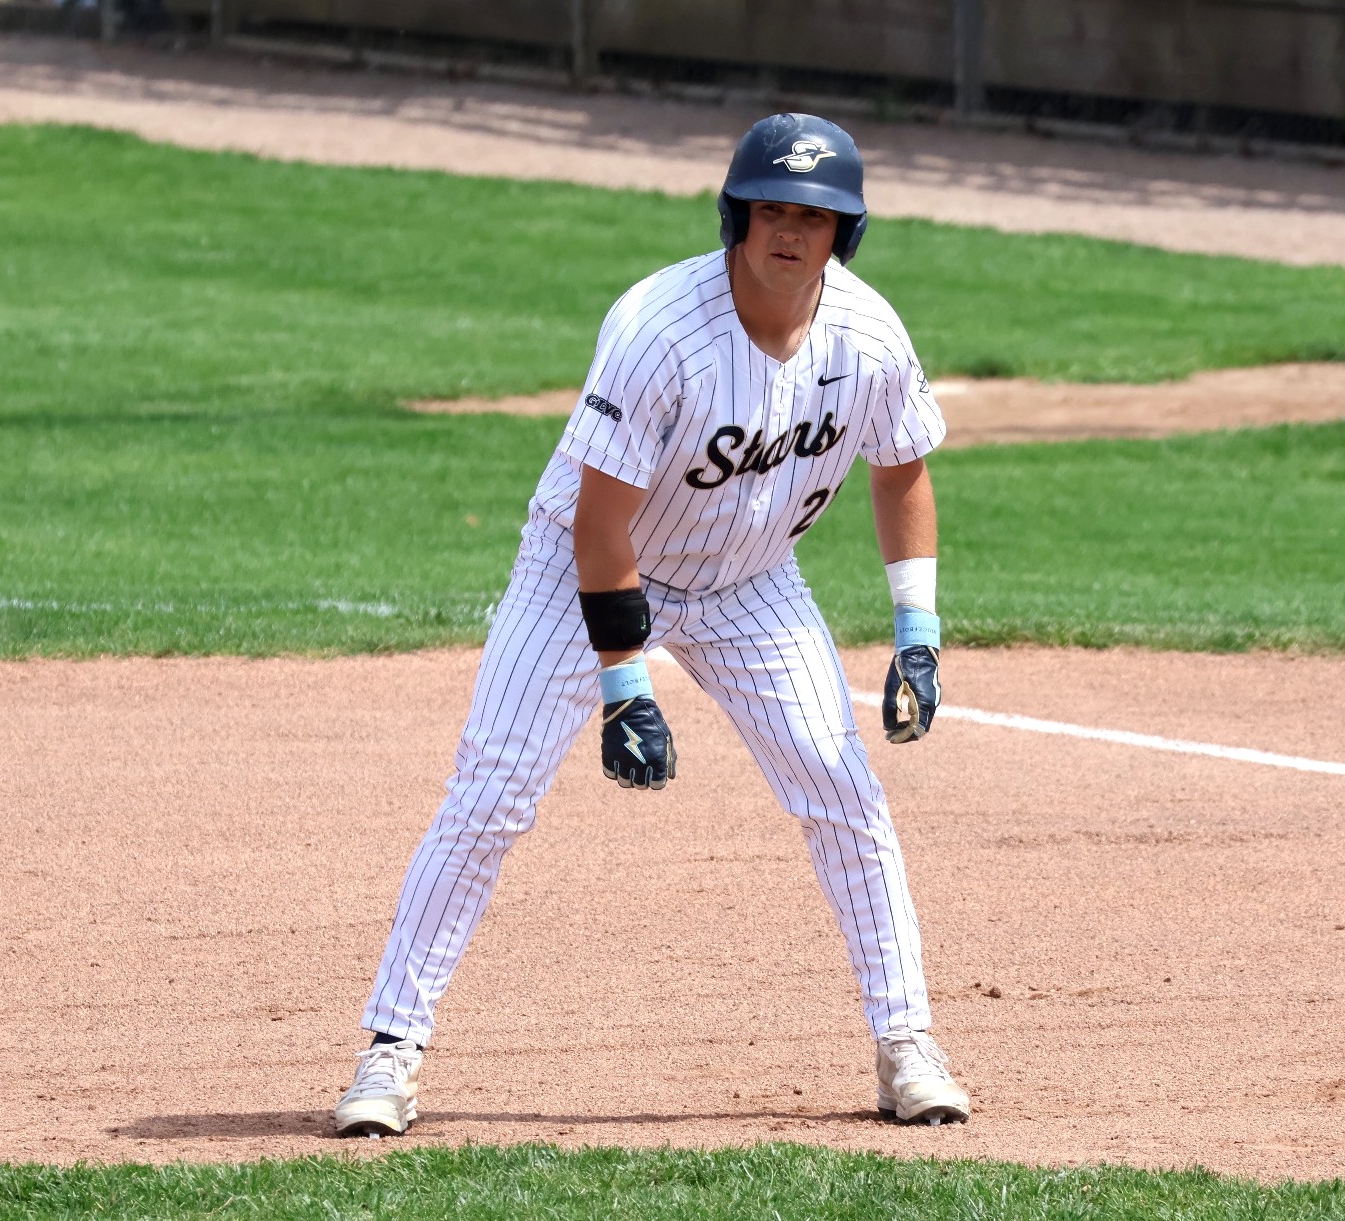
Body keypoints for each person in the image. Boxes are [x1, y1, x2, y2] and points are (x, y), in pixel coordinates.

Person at [333, 112, 966, 1136]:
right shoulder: (659, 329)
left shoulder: (869, 336)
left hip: (753, 583)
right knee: (490, 794)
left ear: (845, 232)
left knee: (843, 792)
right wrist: (625, 687)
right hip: (583, 570)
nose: (789, 231)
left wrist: (917, 630)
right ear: (735, 214)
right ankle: (390, 1052)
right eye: (770, 207)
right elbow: (599, 521)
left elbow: (902, 472)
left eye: (813, 215)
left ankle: (907, 1046)